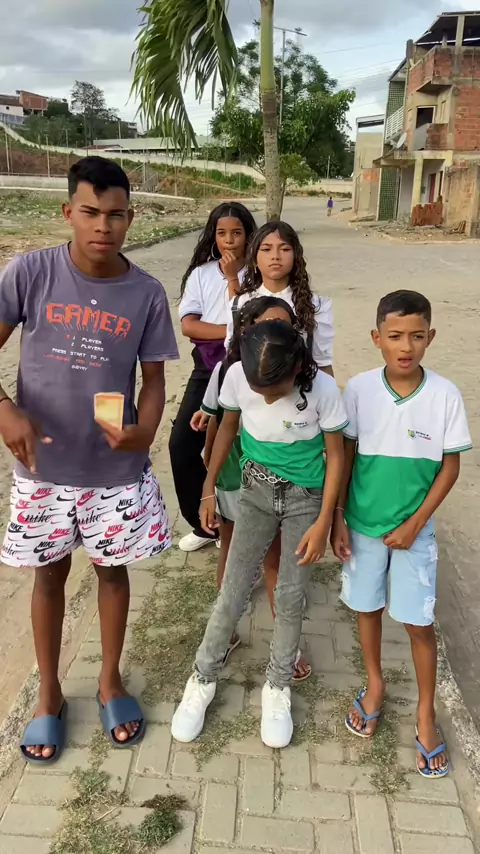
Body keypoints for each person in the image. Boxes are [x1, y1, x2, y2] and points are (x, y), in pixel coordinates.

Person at [0, 156, 178, 764]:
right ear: (68, 213)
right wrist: (6, 410)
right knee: (48, 577)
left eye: (116, 215)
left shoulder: (146, 293)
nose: (103, 226)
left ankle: (109, 680)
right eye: (91, 212)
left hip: (112, 471)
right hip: (44, 468)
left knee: (112, 573)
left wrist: (144, 430)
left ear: (131, 217)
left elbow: (153, 380)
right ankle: (48, 692)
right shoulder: (30, 273)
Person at [172, 321, 347, 749]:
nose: (266, 398)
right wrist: (208, 487)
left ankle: (278, 686)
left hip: (306, 501)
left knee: (289, 596)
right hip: (254, 493)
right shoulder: (235, 375)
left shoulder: (323, 390)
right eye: (258, 388)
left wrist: (326, 520)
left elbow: (337, 456)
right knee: (232, 591)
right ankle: (202, 679)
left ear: (298, 367)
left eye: (275, 389)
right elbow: (226, 429)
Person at [331, 290, 472, 779]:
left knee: (417, 622)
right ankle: (375, 684)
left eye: (416, 336)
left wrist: (415, 524)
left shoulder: (445, 396)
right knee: (366, 607)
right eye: (395, 336)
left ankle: (426, 713)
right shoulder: (359, 390)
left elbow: (450, 467)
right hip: (362, 526)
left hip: (415, 532)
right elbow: (346, 457)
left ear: (430, 337)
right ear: (377, 338)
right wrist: (338, 517)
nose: (405, 346)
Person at [199, 296, 299, 665]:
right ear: (245, 332)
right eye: (262, 325)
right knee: (231, 546)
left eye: (283, 325)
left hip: (278, 474)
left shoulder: (299, 378)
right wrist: (208, 482)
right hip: (233, 470)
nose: (273, 333)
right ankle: (224, 634)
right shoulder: (229, 371)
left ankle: (286, 644)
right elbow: (219, 424)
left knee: (273, 556)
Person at [170, 203, 257, 553]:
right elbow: (189, 325)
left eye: (237, 233)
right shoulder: (201, 275)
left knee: (241, 448)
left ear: (248, 235)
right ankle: (204, 524)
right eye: (222, 233)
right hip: (208, 369)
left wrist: (235, 279)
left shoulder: (259, 271)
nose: (229, 240)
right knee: (182, 445)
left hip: (250, 371)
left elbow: (255, 320)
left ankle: (246, 526)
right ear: (213, 236)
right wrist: (231, 331)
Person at [225, 221, 334, 376]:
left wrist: (331, 389)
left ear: (296, 256)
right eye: (266, 249)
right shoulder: (239, 304)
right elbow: (232, 359)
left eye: (285, 249)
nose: (275, 256)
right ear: (254, 258)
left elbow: (322, 363)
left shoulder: (316, 305)